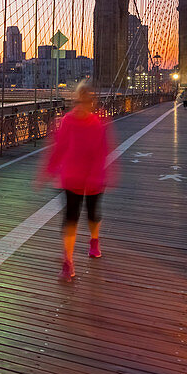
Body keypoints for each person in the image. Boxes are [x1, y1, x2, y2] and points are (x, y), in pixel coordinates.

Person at [37, 80, 115, 282]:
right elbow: (59, 147)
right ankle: (68, 262)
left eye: (87, 101)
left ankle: (94, 241)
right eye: (80, 100)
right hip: (71, 178)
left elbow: (103, 152)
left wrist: (102, 175)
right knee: (70, 220)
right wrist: (47, 171)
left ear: (91, 103)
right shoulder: (67, 121)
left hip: (93, 179)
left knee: (92, 215)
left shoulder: (99, 124)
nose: (83, 104)